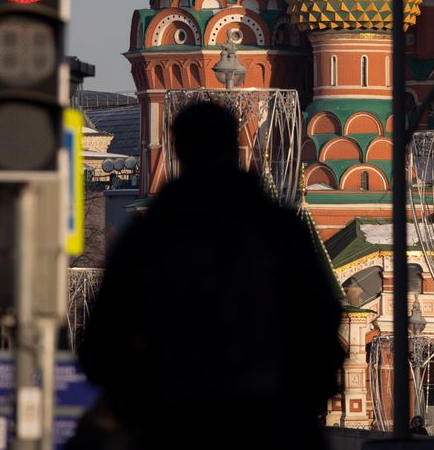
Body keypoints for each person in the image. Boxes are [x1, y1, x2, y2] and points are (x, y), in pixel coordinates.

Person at [76, 101, 343, 448]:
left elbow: (102, 343)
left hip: (176, 424)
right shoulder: (278, 228)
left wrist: (137, 400)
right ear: (233, 149)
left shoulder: (150, 235)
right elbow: (323, 319)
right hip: (270, 424)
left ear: (179, 152)